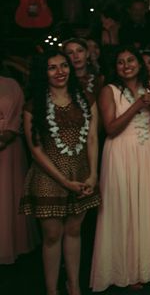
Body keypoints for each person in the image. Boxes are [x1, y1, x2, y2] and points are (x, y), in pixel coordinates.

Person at [20, 50, 101, 295]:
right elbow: (35, 149)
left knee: (75, 231)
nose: (60, 72)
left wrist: (93, 174)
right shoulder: (34, 104)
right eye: (52, 67)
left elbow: (93, 138)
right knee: (53, 235)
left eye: (63, 65)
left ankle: (74, 286)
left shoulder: (86, 98)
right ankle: (51, 291)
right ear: (43, 73)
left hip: (82, 175)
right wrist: (64, 181)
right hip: (49, 177)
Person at [90, 46, 150, 291]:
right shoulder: (108, 91)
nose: (126, 65)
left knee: (148, 207)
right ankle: (124, 270)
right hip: (120, 152)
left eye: (131, 60)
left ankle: (148, 268)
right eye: (120, 62)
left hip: (148, 151)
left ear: (140, 64)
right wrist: (137, 105)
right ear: (115, 67)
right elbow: (110, 128)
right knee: (123, 209)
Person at [0, 74, 39, 265]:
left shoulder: (11, 84)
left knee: (7, 194)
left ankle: (9, 243)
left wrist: (8, 134)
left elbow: (19, 113)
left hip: (9, 148)